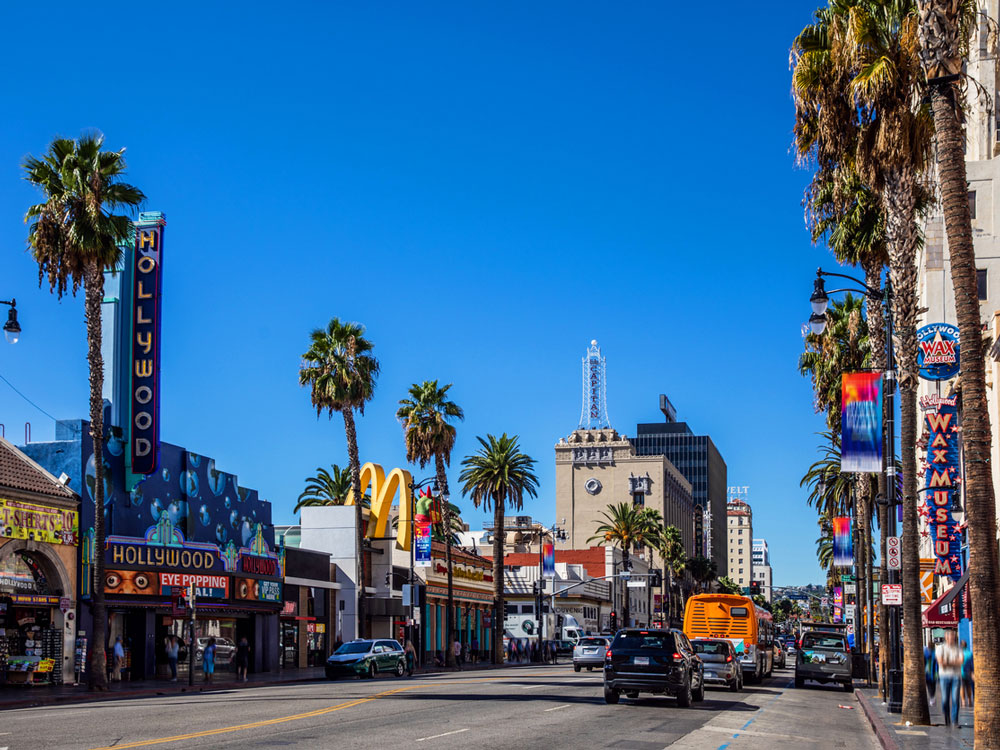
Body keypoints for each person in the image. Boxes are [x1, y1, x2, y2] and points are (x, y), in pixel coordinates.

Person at [936, 629, 964, 727]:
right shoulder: (940, 648)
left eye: (953, 636)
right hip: (944, 676)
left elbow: (961, 661)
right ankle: (946, 718)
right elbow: (941, 662)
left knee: (955, 699)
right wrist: (954, 662)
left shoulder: (958, 648)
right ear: (946, 637)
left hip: (956, 676)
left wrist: (947, 662)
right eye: (950, 636)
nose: (952, 638)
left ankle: (955, 721)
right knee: (945, 699)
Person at [961, 639, 974, 708]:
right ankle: (969, 700)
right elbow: (972, 664)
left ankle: (963, 701)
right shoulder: (970, 653)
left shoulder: (959, 653)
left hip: (961, 672)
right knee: (968, 686)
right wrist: (972, 672)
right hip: (968, 672)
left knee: (962, 687)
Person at [924, 641, 938, 707]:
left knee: (930, 685)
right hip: (931, 672)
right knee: (932, 685)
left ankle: (932, 697)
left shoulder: (927, 652)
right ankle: (932, 697)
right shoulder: (933, 653)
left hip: (928, 671)